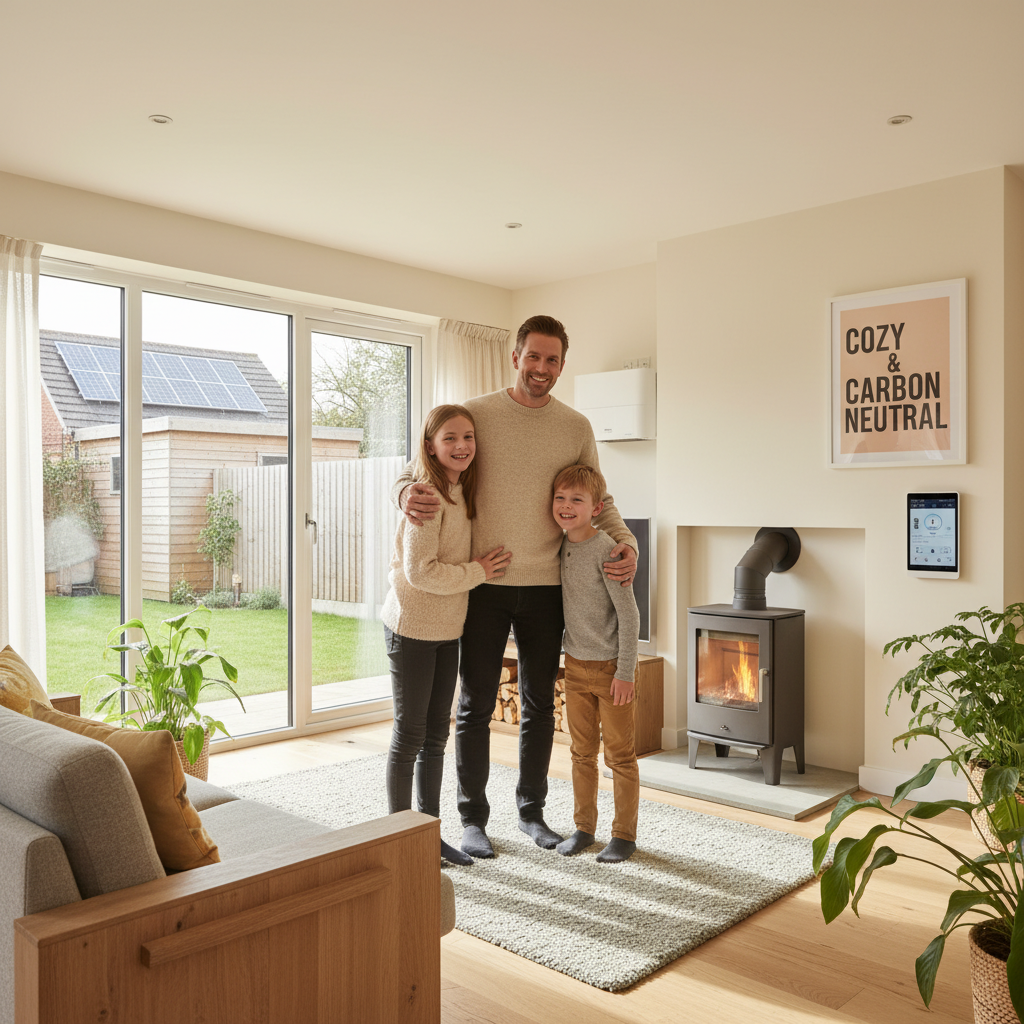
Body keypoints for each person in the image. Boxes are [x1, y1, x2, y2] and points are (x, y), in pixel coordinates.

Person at [393, 315, 638, 860]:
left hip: (549, 587)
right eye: (534, 357)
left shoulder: (575, 427)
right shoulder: (476, 415)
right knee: (476, 703)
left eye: (552, 360)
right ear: (515, 356)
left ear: (562, 365)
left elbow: (601, 499)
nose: (542, 369)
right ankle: (472, 818)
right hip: (484, 584)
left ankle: (531, 812)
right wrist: (402, 494)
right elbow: (419, 468)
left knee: (535, 706)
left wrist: (629, 546)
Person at [380, 404, 512, 866]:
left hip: (448, 628)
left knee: (437, 734)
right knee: (410, 733)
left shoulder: (461, 491)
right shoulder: (428, 496)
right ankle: (401, 838)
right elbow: (419, 573)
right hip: (412, 626)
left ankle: (429, 835)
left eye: (468, 437)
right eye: (450, 438)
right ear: (431, 445)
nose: (461, 446)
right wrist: (479, 571)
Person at [550, 463, 640, 863]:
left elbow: (630, 616)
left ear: (597, 507)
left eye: (577, 500)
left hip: (609, 671)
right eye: (560, 497)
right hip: (575, 667)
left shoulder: (608, 550)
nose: (566, 506)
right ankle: (584, 828)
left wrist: (625, 673)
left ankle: (623, 835)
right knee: (580, 753)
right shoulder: (561, 545)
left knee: (619, 756)